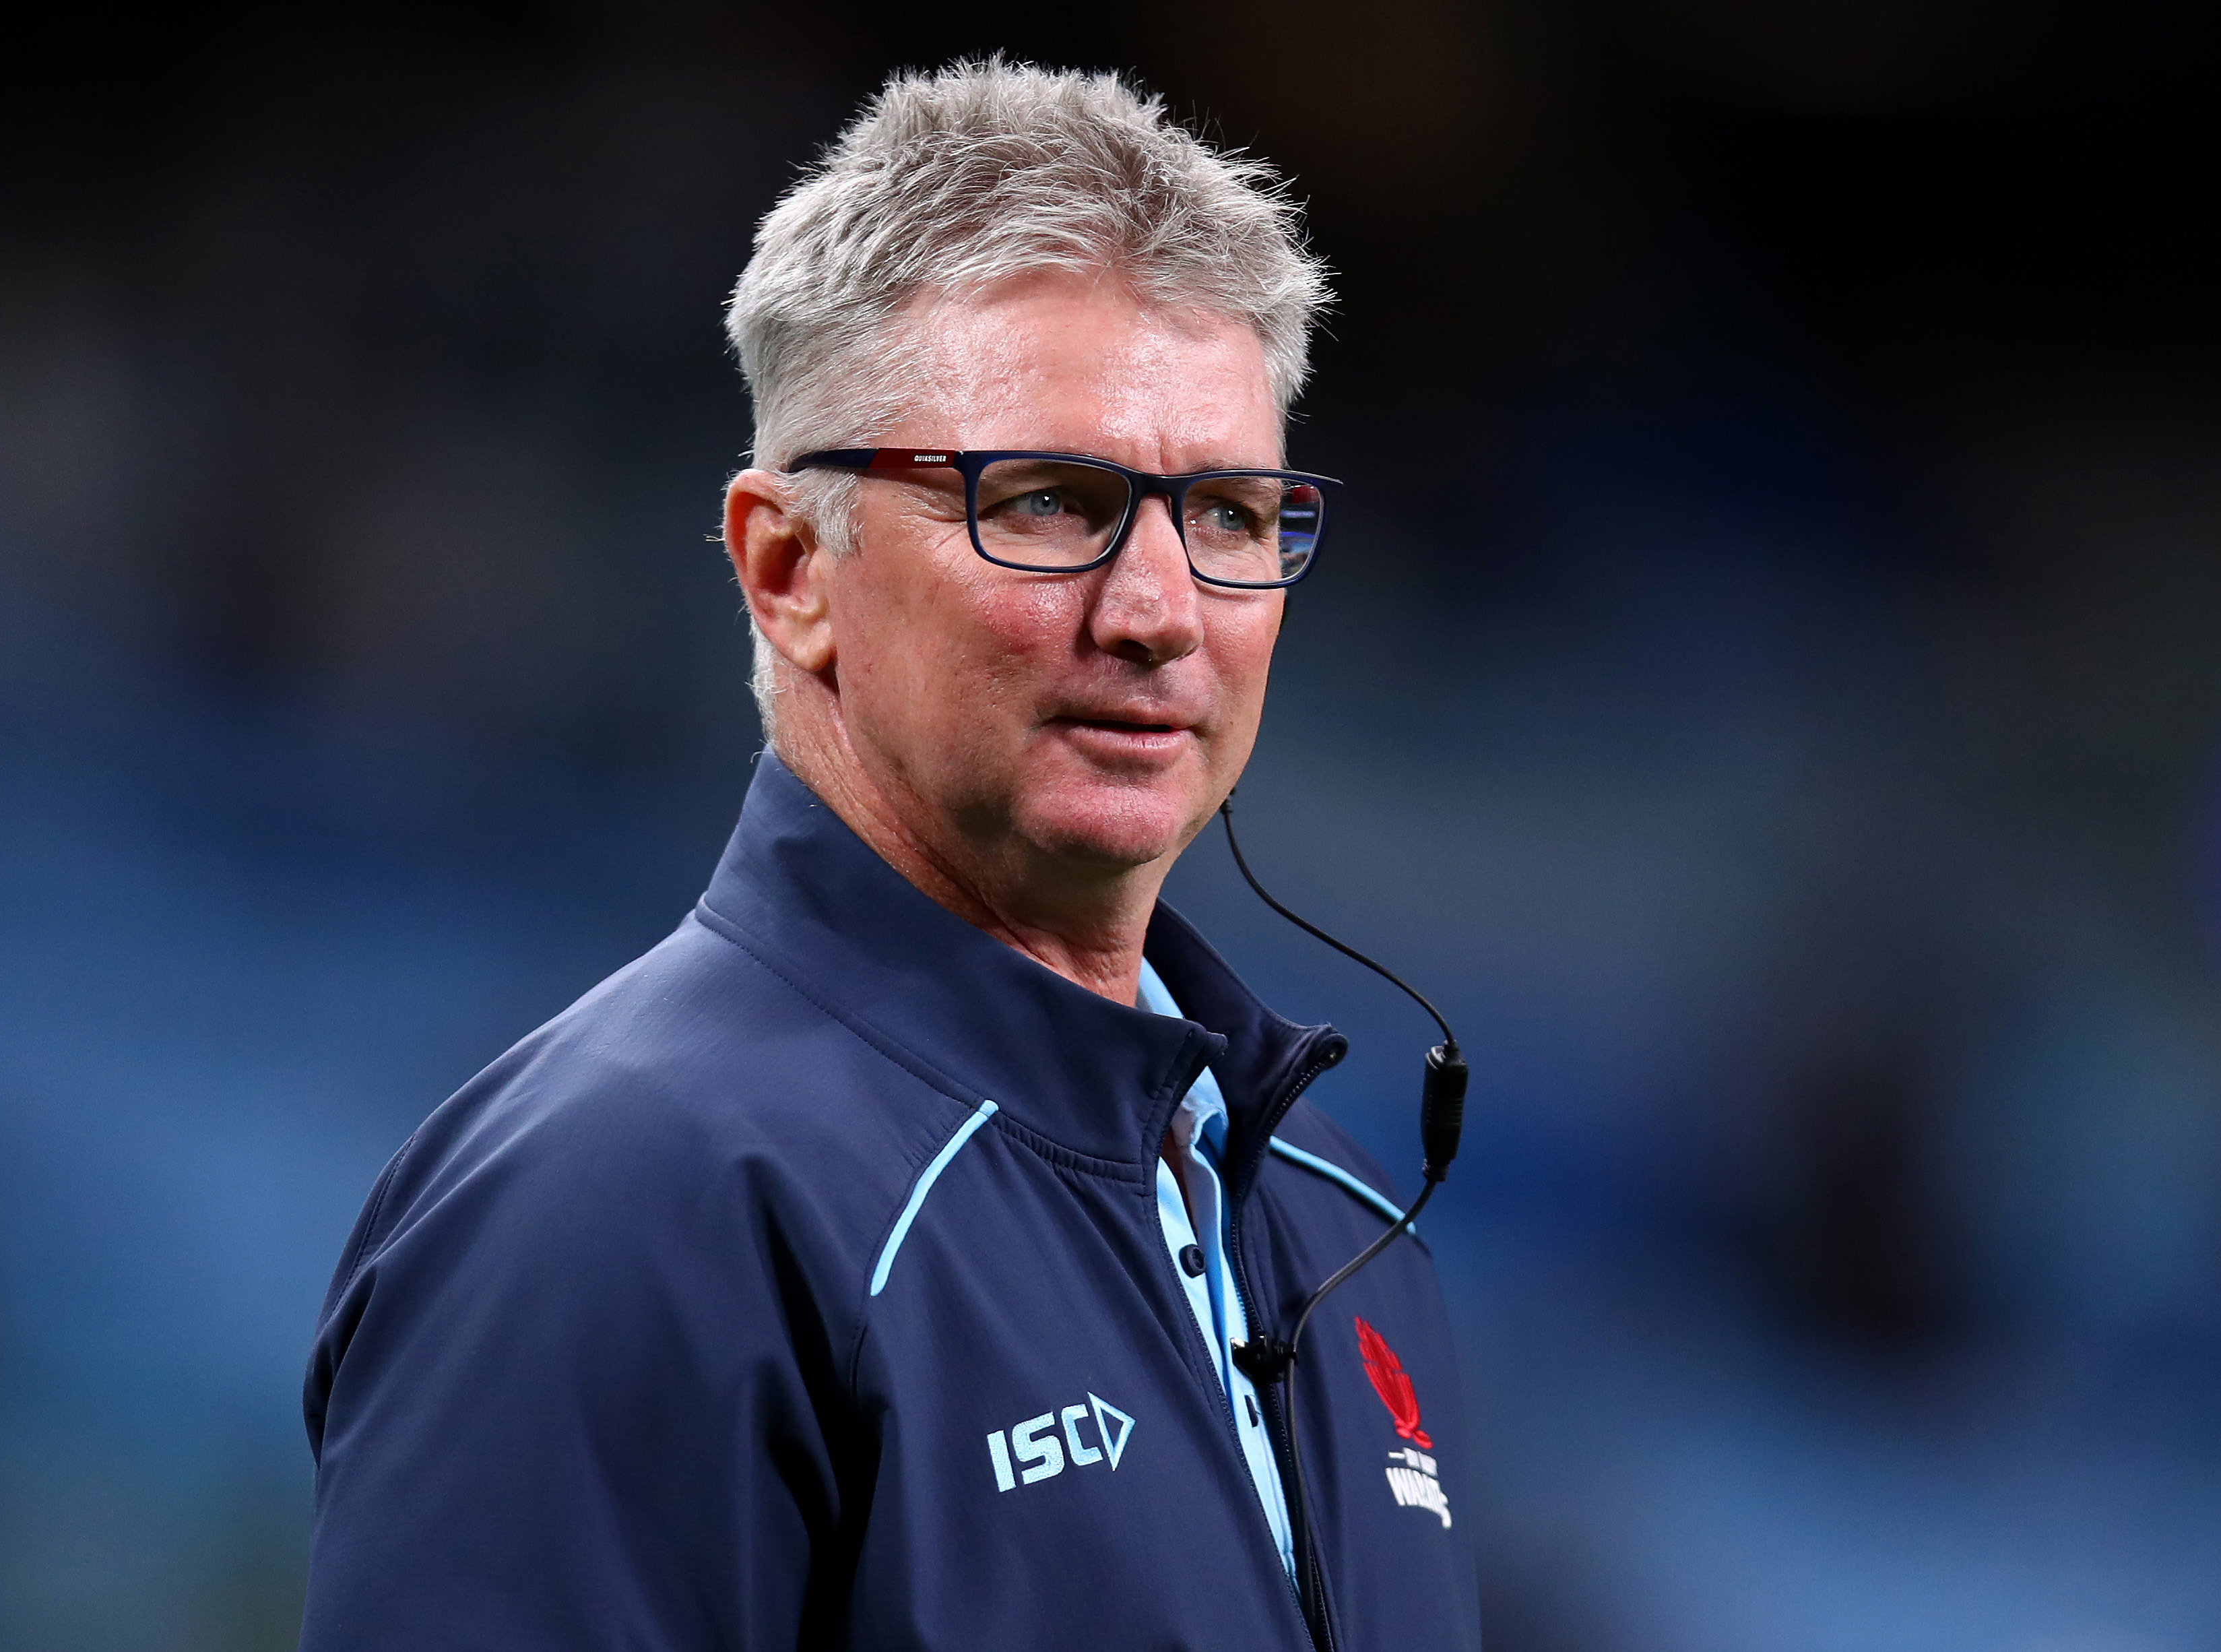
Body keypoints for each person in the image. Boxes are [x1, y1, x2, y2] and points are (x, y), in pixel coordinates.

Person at [298, 59, 1477, 1652]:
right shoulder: (628, 1191)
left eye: (1231, 514)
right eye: (1051, 503)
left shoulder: (1332, 1214)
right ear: (789, 568)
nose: (1157, 610)